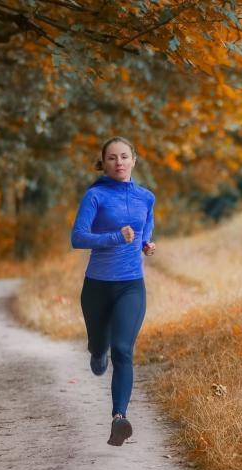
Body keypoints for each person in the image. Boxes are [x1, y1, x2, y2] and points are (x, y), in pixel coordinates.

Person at [70, 136, 157, 446]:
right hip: (96, 287)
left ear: (134, 160)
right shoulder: (95, 196)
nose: (119, 162)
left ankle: (119, 418)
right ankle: (97, 351)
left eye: (124, 157)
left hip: (131, 286)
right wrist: (115, 238)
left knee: (123, 350)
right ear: (103, 163)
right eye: (112, 158)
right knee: (100, 348)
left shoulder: (146, 197)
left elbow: (146, 227)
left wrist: (146, 243)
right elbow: (78, 238)